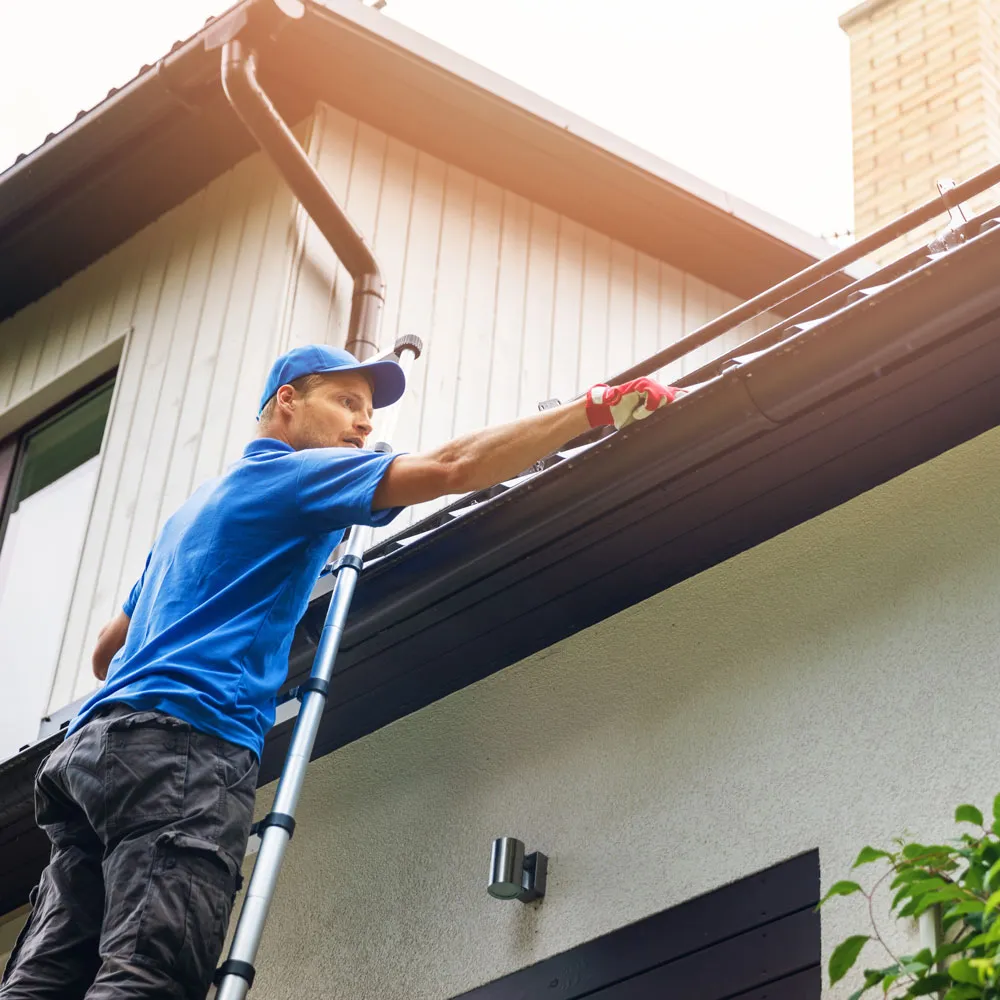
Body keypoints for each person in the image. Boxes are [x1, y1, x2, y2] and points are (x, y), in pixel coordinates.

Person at [0, 344, 682, 999]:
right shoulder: (291, 476)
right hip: (182, 751)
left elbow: (105, 651)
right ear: (287, 404)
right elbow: (451, 465)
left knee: (45, 978)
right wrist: (594, 408)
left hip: (91, 757)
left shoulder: (191, 514)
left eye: (371, 412)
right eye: (348, 401)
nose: (364, 422)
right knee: (149, 970)